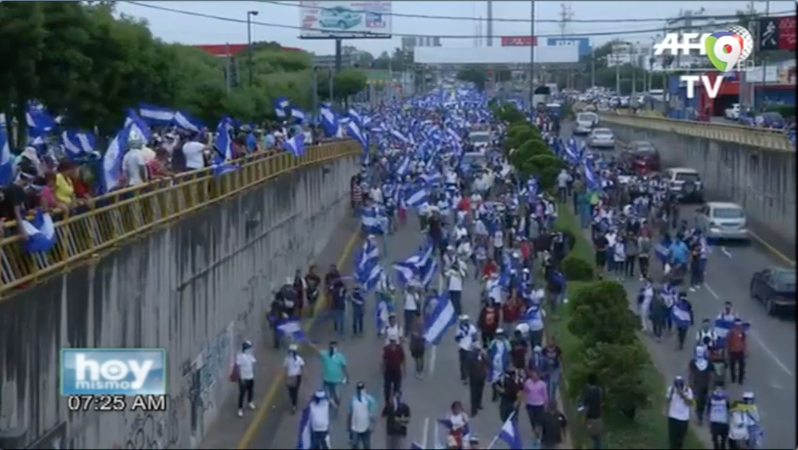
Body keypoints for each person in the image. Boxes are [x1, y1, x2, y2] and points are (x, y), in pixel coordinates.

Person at [666, 375, 694, 449]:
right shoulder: (671, 390)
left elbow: (690, 403)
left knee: (681, 439)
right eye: (677, 384)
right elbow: (668, 400)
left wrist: (682, 395)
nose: (678, 386)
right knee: (673, 439)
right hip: (673, 417)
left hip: (684, 418)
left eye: (680, 384)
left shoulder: (688, 391)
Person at [688, 345, 713, 426]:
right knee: (699, 402)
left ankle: (700, 415)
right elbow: (691, 374)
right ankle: (700, 417)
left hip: (702, 385)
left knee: (702, 402)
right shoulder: (694, 363)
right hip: (699, 385)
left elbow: (691, 375)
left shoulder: (706, 363)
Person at [348, 382, 377, 450]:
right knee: (359, 444)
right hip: (357, 426)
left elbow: (350, 412)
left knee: (363, 444)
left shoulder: (354, 399)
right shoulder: (354, 399)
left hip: (362, 426)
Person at [320, 340, 348, 408]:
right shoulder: (325, 354)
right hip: (326, 379)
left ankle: (337, 404)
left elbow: (344, 367)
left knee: (337, 394)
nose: (332, 349)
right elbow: (316, 351)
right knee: (326, 393)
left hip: (337, 380)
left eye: (334, 347)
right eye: (331, 347)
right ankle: (329, 404)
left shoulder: (340, 356)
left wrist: (346, 377)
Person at [579, 372, 603, 450]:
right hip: (598, 416)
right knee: (597, 438)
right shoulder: (599, 390)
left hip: (590, 417)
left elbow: (585, 405)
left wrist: (583, 416)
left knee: (589, 435)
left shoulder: (588, 391)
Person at [234, 340, 257, 417]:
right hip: (243, 378)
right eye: (249, 348)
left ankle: (250, 402)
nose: (250, 349)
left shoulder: (250, 356)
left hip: (250, 376)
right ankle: (240, 409)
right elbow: (238, 367)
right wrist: (240, 378)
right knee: (242, 393)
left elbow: (253, 362)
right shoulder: (240, 357)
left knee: (250, 390)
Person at [523, 369, 548, 437]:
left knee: (538, 418)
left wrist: (545, 402)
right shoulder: (527, 382)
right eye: (533, 376)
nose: (534, 377)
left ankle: (538, 429)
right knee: (532, 417)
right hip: (530, 403)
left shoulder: (542, 384)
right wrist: (525, 399)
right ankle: (534, 428)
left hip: (539, 404)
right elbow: (525, 391)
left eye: (536, 376)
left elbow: (545, 394)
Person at [466, 342, 489, 416]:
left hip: (481, 376)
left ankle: (478, 404)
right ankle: (474, 410)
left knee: (479, 391)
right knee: (474, 393)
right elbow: (467, 366)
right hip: (474, 377)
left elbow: (488, 362)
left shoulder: (482, 355)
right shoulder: (470, 356)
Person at [455, 315, 478, 384]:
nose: (464, 322)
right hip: (462, 347)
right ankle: (464, 377)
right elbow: (456, 339)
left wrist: (475, 345)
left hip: (470, 348)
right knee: (463, 363)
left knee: (471, 363)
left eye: (465, 321)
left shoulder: (472, 328)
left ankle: (470, 375)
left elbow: (475, 337)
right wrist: (460, 336)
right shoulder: (459, 328)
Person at [382, 336, 405, 402]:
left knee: (397, 388)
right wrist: (383, 369)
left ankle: (396, 401)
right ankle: (387, 401)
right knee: (387, 387)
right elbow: (384, 359)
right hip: (388, 370)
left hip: (397, 370)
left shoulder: (399, 348)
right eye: (391, 341)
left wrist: (404, 369)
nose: (393, 343)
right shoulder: (387, 349)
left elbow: (403, 358)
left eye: (394, 341)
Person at [283, 344, 305, 414]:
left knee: (295, 391)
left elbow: (302, 366)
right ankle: (293, 403)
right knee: (291, 392)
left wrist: (301, 373)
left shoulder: (299, 359)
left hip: (297, 377)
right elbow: (285, 367)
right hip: (290, 377)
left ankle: (294, 405)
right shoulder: (287, 359)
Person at [708, 381, 730, 450]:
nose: (719, 389)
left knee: (721, 440)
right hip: (718, 420)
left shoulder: (712, 396)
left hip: (720, 421)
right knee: (718, 440)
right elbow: (728, 407)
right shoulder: (725, 396)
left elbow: (728, 407)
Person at [726, 319, 747, 385]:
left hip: (740, 351)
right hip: (733, 351)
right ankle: (733, 378)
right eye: (737, 324)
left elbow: (744, 341)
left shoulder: (742, 332)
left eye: (739, 325)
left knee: (741, 366)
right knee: (732, 365)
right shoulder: (731, 332)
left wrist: (745, 349)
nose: (739, 326)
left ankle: (740, 379)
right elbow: (728, 341)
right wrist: (728, 350)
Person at [408, 310, 426, 378]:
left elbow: (412, 335)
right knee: (420, 358)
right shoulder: (422, 324)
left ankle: (419, 371)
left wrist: (411, 345)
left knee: (417, 359)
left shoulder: (414, 324)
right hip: (420, 344)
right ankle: (420, 371)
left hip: (416, 344)